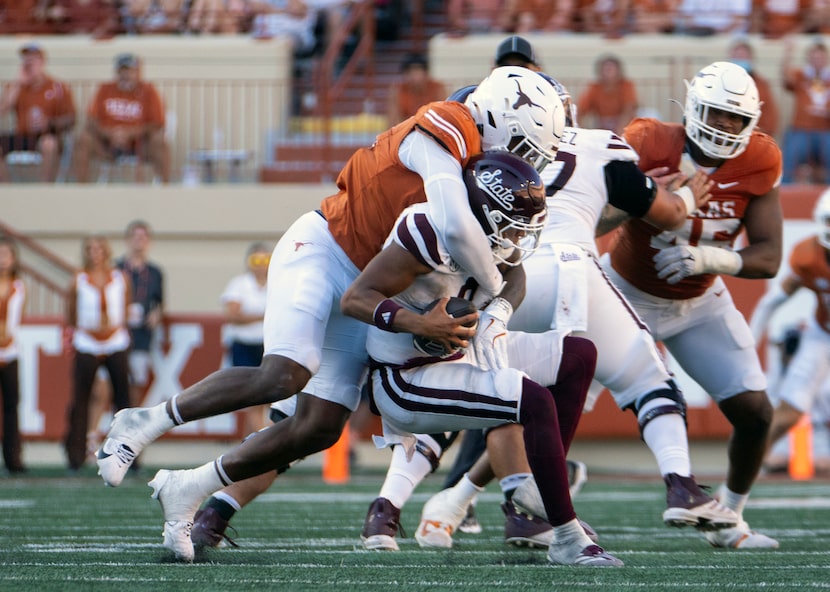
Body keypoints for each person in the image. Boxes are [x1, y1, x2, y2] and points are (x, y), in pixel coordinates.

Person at [94, 66, 566, 562]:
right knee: (284, 373)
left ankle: (190, 488)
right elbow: (452, 222)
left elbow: (511, 262)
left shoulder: (476, 160)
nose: (523, 161)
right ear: (503, 120)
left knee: (321, 425)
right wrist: (488, 291)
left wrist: (497, 307)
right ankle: (143, 421)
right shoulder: (447, 123)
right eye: (527, 146)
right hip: (324, 249)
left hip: (371, 276)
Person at [373, 75, 739, 552]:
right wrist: (687, 195)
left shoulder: (475, 164)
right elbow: (662, 214)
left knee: (487, 388)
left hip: (507, 273)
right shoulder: (598, 146)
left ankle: (414, 501)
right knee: (646, 377)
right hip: (558, 268)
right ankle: (680, 484)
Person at [342, 150, 623, 567]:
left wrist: (500, 314)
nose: (516, 237)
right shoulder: (428, 232)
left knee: (578, 356)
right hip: (406, 378)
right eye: (511, 225)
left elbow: (515, 273)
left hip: (460, 353)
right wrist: (418, 324)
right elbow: (356, 299)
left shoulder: (492, 236)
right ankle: (566, 536)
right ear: (483, 211)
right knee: (533, 401)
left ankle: (535, 492)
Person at [601, 60, 782, 549]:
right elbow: (590, 219)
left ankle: (729, 519)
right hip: (623, 292)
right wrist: (650, 200)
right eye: (716, 113)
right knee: (550, 395)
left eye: (735, 118)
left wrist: (708, 256)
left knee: (756, 412)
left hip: (699, 301)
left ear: (752, 122)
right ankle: (466, 494)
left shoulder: (760, 160)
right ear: (694, 107)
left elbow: (767, 256)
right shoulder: (648, 140)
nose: (724, 126)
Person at [750, 188, 830, 470]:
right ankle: (748, 471)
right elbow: (772, 301)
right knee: (789, 412)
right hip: (822, 334)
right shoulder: (809, 257)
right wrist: (749, 343)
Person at [64, 235, 131, 473]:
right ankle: (75, 456)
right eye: (90, 249)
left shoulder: (119, 277)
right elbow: (70, 310)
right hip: (87, 342)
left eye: (98, 248)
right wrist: (83, 330)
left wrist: (115, 327)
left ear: (106, 251)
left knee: (123, 399)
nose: (95, 253)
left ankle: (128, 455)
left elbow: (125, 305)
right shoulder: (78, 279)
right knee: (80, 398)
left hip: (115, 340)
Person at [73, 53, 170, 184]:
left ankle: (164, 188)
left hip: (139, 146)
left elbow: (157, 124)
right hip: (107, 145)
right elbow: (91, 120)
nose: (126, 75)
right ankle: (81, 189)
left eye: (130, 71)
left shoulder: (149, 91)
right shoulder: (105, 89)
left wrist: (129, 134)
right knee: (83, 139)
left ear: (138, 72)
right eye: (122, 71)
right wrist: (110, 134)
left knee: (159, 141)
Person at [0, 43, 76, 183]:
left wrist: (49, 122)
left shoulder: (57, 87)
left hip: (46, 135)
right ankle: (6, 189)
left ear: (42, 61)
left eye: (33, 59)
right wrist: (18, 84)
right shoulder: (15, 87)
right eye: (25, 59)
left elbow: (71, 119)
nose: (28, 63)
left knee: (48, 144)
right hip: (21, 136)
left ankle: (44, 188)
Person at [221, 242, 271, 434]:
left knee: (267, 397)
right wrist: (263, 316)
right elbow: (233, 315)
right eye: (256, 259)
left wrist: (249, 316)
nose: (260, 264)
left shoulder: (277, 283)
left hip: (267, 346)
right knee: (251, 397)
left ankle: (252, 442)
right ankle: (261, 443)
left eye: (265, 259)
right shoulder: (239, 284)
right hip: (244, 346)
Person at [116, 220, 164, 408]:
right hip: (118, 332)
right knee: (111, 381)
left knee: (136, 381)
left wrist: (156, 314)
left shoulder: (155, 272)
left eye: (143, 238)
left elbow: (159, 302)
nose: (139, 242)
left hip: (141, 334)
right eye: (135, 237)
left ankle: (130, 425)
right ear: (128, 240)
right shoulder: (117, 269)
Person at [781, 37, 830, 184]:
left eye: (820, 58)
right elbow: (786, 78)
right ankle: (785, 189)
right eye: (814, 57)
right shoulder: (801, 75)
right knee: (791, 152)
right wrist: (788, 53)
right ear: (808, 59)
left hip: (826, 130)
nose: (817, 61)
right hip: (801, 129)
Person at [0, 236, 27, 475]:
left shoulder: (19, 285)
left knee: (11, 406)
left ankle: (13, 459)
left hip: (10, 351)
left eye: (6, 255)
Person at [727, 37, 779, 137]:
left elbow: (771, 114)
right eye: (737, 56)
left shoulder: (762, 84)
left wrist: (764, 134)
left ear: (751, 58)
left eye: (743, 56)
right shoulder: (722, 83)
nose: (740, 59)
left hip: (753, 135)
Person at [576, 54, 638, 136]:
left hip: (624, 124)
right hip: (603, 124)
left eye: (611, 69)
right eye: (606, 69)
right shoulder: (594, 87)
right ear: (600, 71)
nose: (609, 71)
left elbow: (629, 109)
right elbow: (581, 110)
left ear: (619, 71)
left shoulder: (626, 85)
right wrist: (580, 131)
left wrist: (620, 131)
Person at [386, 54, 446, 126]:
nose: (414, 76)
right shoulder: (398, 89)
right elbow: (393, 119)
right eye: (410, 73)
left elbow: (443, 116)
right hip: (406, 130)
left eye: (417, 72)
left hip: (432, 129)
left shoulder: (437, 88)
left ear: (425, 73)